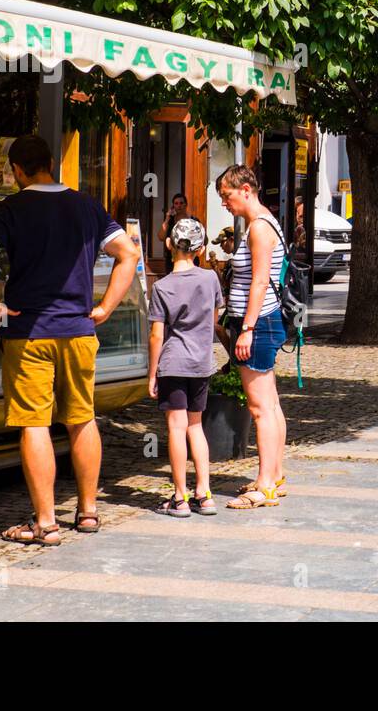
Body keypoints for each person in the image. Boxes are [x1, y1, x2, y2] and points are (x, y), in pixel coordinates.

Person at [0, 135, 139, 546]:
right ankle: (89, 512)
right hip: (79, 330)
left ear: (18, 171)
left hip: (28, 334)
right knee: (82, 418)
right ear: (50, 164)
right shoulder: (86, 206)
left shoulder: (11, 209)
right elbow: (128, 254)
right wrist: (106, 307)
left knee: (34, 423)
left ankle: (45, 523)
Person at [215, 165, 288, 509]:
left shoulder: (259, 228)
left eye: (226, 196)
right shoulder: (266, 223)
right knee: (271, 403)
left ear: (245, 189)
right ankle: (275, 476)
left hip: (257, 324)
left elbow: (259, 281)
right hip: (264, 321)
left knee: (260, 408)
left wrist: (246, 327)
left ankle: (265, 485)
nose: (224, 204)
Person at [148, 217, 224, 517]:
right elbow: (213, 320)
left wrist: (152, 373)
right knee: (196, 427)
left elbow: (156, 335)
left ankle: (179, 496)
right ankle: (204, 493)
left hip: (173, 363)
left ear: (168, 245)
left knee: (176, 429)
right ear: (201, 248)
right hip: (201, 364)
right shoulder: (210, 280)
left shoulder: (162, 287)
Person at [157, 193, 190, 274]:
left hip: (189, 259)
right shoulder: (170, 222)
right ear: (173, 206)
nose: (179, 206)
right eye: (176, 203)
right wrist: (167, 218)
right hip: (172, 260)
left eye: (181, 203)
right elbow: (161, 237)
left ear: (186, 205)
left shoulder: (192, 221)